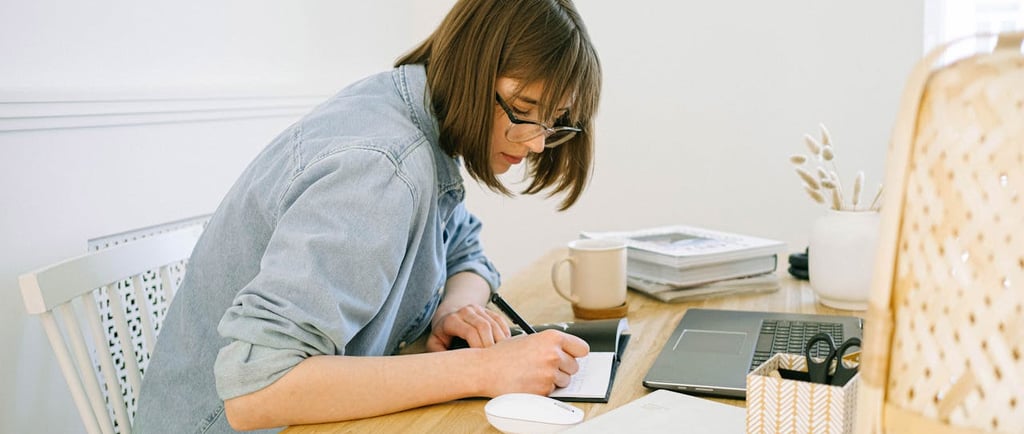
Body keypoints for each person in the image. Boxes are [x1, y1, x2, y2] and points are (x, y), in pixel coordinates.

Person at [134, 0, 601, 432]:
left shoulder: (419, 118)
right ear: (474, 69)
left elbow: (465, 249)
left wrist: (457, 311)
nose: (538, 142)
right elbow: (256, 388)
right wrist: (486, 368)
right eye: (524, 111)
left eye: (554, 121)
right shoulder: (383, 167)